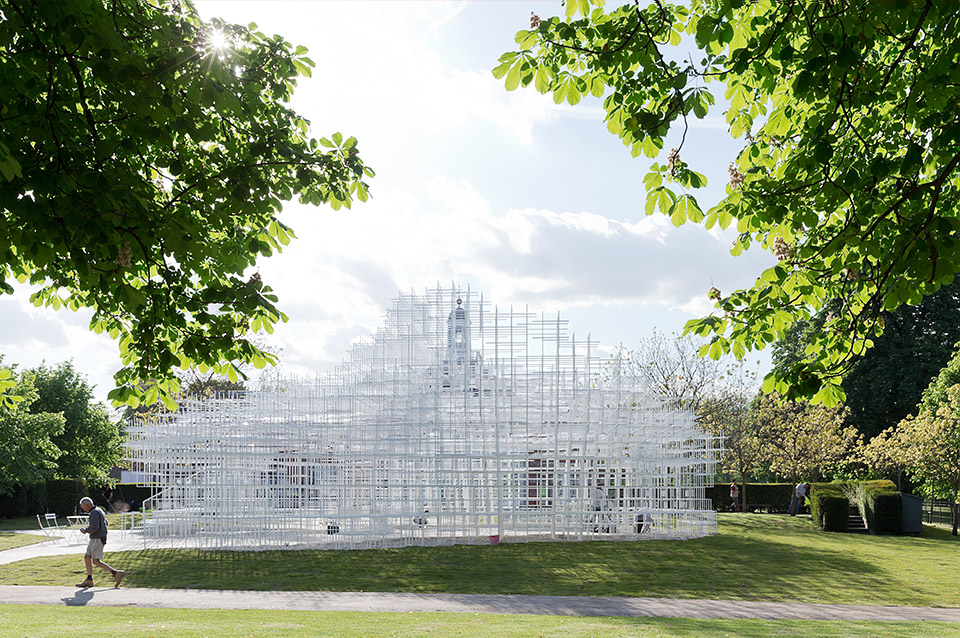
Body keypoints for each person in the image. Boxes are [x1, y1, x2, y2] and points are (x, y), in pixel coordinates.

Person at [75, 497, 124, 588]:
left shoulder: (94, 512)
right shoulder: (99, 510)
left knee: (96, 561)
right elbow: (106, 522)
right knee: (87, 557)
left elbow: (95, 527)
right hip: (95, 538)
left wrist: (86, 530)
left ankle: (115, 573)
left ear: (87, 505)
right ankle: (89, 580)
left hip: (98, 539)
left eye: (83, 507)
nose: (83, 509)